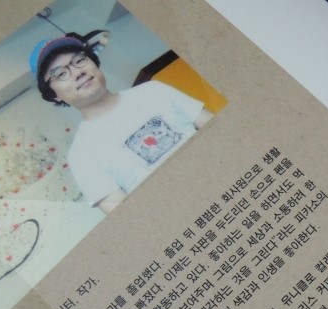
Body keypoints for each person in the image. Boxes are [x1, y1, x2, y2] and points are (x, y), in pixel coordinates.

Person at [30, 35, 213, 214]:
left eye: (79, 60)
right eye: (61, 74)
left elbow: (215, 128)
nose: (78, 72)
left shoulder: (154, 90)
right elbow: (129, 217)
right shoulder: (80, 155)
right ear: (54, 95)